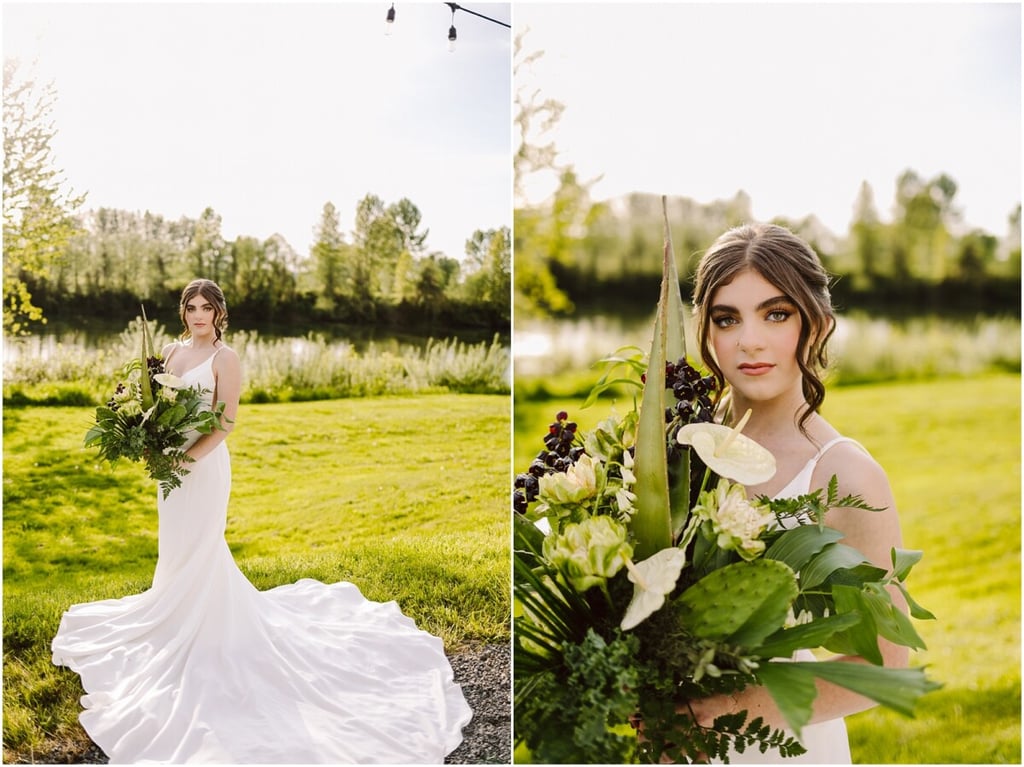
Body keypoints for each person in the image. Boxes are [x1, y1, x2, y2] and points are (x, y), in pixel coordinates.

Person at [51, 278, 472, 763]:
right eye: (191, 307)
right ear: (182, 312)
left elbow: (225, 421)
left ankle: (204, 629)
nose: (199, 315)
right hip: (169, 468)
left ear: (220, 313)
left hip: (202, 468)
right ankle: (169, 612)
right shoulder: (167, 352)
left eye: (207, 308)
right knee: (176, 546)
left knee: (203, 546)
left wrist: (187, 460)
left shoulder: (225, 360)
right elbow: (153, 406)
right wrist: (151, 443)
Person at [665, 223, 907, 763]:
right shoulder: (677, 440)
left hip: (775, 745)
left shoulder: (845, 474)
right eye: (728, 318)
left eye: (776, 314)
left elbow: (888, 665)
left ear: (815, 325)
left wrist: (722, 711)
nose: (749, 340)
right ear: (706, 330)